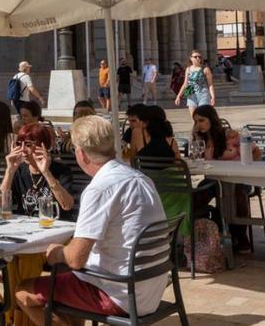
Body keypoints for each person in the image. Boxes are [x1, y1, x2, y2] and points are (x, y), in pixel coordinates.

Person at [14, 116, 167, 323]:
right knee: (66, 284)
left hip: (118, 292)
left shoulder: (100, 188)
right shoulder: (141, 179)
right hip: (149, 289)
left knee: (23, 291)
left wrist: (56, 253)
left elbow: (76, 259)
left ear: (81, 154)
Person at [191, 106, 258, 252]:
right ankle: (213, 227)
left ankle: (241, 236)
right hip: (214, 179)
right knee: (196, 197)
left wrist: (246, 164)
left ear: (211, 120)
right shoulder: (200, 139)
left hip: (237, 178)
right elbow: (196, 159)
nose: (198, 124)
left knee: (239, 195)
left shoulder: (229, 135)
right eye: (196, 121)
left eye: (202, 120)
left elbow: (255, 151)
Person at [0, 123, 74, 216]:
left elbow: (67, 205)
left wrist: (46, 172)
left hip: (55, 226)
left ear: (43, 146)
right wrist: (9, 171)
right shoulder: (18, 170)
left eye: (28, 144)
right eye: (19, 144)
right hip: (26, 226)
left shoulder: (61, 170)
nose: (22, 149)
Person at [173, 50, 215, 118]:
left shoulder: (205, 69)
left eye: (199, 57)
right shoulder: (188, 69)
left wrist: (213, 97)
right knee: (194, 117)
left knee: (203, 116)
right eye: (195, 57)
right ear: (191, 58)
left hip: (203, 94)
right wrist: (178, 96)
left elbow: (210, 85)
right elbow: (185, 84)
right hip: (190, 94)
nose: (198, 58)